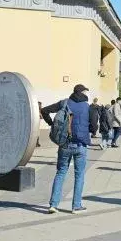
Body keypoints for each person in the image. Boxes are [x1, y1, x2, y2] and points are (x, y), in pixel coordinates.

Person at [41, 84, 93, 214]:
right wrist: (89, 130)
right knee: (79, 175)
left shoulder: (64, 103)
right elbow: (93, 124)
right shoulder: (87, 107)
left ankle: (53, 205)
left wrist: (52, 124)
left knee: (61, 172)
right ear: (82, 93)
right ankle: (76, 206)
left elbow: (44, 110)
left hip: (64, 144)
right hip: (80, 145)